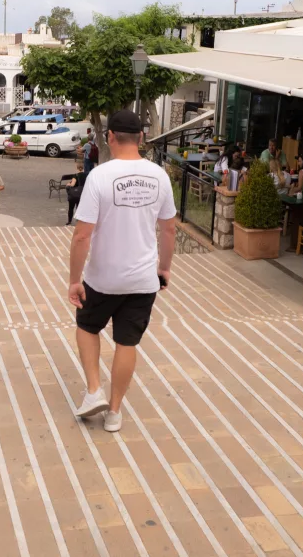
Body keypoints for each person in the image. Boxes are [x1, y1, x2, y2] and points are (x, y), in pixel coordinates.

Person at [69, 110, 177, 433]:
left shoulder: (100, 177)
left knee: (87, 326)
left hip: (103, 277)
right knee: (127, 343)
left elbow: (82, 235)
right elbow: (169, 230)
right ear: (142, 138)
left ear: (110, 137)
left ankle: (93, 391)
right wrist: (164, 269)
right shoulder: (160, 176)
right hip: (144, 279)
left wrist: (75, 280)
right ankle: (114, 412)